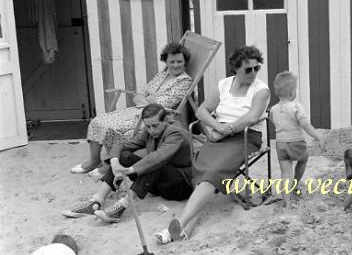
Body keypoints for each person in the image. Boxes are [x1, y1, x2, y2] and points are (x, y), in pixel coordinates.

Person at [155, 45, 270, 244]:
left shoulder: (261, 90)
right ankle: (186, 228)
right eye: (248, 69)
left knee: (211, 173)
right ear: (236, 68)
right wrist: (216, 127)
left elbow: (252, 118)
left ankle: (179, 224)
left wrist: (226, 131)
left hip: (244, 136)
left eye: (256, 68)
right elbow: (202, 111)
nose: (253, 73)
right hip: (219, 134)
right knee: (204, 173)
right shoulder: (224, 85)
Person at [71, 42, 193, 174]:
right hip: (138, 110)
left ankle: (111, 165)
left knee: (114, 127)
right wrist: (149, 98)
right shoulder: (162, 75)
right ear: (166, 61)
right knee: (97, 121)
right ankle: (94, 161)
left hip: (155, 117)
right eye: (172, 61)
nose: (175, 65)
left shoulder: (184, 81)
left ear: (185, 62)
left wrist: (147, 99)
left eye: (179, 61)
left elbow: (163, 104)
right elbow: (139, 94)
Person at [63, 104, 193, 223]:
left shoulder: (175, 132)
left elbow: (158, 157)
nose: (151, 130)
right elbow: (122, 145)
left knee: (155, 164)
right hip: (159, 182)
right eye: (147, 126)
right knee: (124, 156)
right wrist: (115, 164)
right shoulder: (149, 132)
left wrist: (129, 170)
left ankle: (122, 206)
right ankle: (96, 201)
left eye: (155, 126)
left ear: (165, 121)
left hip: (180, 185)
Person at [266, 71, 325, 205]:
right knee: (303, 159)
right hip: (296, 142)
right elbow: (305, 125)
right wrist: (318, 136)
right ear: (292, 92)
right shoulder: (296, 107)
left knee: (285, 172)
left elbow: (274, 122)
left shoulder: (273, 109)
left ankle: (287, 201)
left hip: (280, 144)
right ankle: (295, 184)